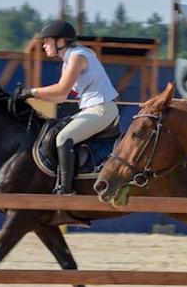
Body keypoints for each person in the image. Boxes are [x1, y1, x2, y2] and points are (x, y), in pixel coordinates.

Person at [20, 20, 119, 196]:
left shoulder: (77, 56)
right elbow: (61, 97)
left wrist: (32, 92)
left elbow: (61, 89)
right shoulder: (68, 60)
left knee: (64, 137)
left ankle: (65, 191)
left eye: (47, 41)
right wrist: (28, 96)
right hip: (93, 108)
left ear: (61, 42)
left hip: (102, 109)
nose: (44, 46)